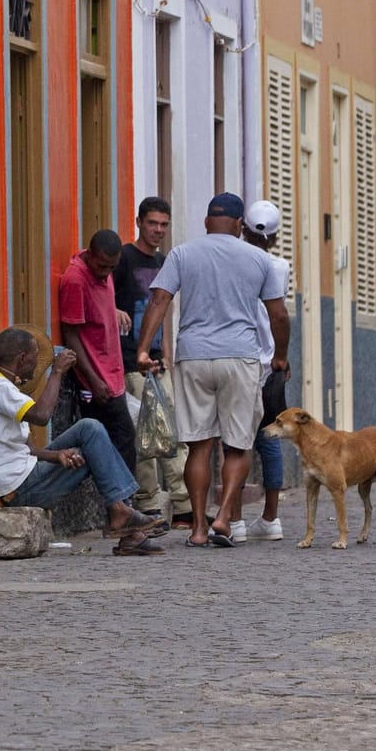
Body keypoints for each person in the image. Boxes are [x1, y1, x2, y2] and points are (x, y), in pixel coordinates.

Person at [134, 193, 289, 548]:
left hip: (193, 357)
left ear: (206, 222)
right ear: (238, 226)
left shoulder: (183, 254)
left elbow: (160, 299)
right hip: (240, 357)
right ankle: (224, 518)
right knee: (238, 444)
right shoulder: (258, 258)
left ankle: (198, 530)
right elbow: (278, 314)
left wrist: (144, 349)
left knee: (199, 446)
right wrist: (280, 355)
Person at [0, 327, 165, 555]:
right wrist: (57, 372)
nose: (37, 367)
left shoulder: (7, 390)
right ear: (22, 359)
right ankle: (123, 514)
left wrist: (57, 455)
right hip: (15, 490)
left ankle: (126, 522)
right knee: (92, 432)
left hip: (23, 478)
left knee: (90, 430)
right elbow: (42, 417)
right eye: (35, 360)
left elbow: (29, 449)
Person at [60, 229, 147, 513]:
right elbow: (71, 334)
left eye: (111, 267)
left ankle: (121, 508)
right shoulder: (75, 279)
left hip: (112, 374)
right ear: (89, 254)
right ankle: (122, 509)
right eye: (101, 266)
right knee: (121, 440)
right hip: (95, 380)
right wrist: (94, 380)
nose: (105, 273)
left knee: (119, 441)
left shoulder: (105, 274)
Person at [114, 197, 189, 526]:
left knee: (172, 430)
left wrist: (168, 351)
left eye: (164, 225)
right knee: (144, 433)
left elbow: (164, 308)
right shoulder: (124, 259)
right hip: (131, 359)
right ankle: (147, 500)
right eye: (153, 223)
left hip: (158, 359)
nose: (158, 230)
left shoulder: (165, 262)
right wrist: (114, 310)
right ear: (139, 222)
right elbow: (106, 297)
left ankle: (183, 500)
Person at [230, 200, 291, 545]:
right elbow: (279, 317)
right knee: (269, 440)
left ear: (242, 228)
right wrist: (282, 357)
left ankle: (234, 518)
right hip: (269, 362)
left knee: (235, 440)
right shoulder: (279, 266)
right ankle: (271, 518)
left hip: (239, 358)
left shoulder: (233, 261)